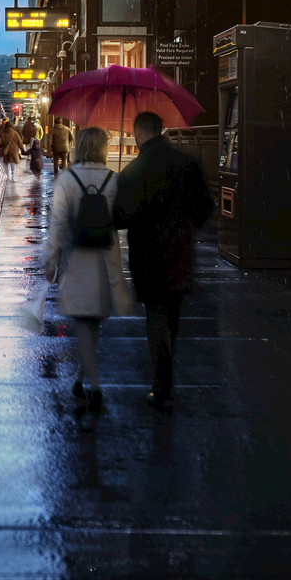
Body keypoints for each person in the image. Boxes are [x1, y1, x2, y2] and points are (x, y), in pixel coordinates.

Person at [113, 111, 214, 410]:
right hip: (180, 253)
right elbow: (205, 208)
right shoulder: (188, 164)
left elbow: (119, 218)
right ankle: (166, 370)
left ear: (138, 133)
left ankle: (162, 384)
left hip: (147, 255)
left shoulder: (133, 171)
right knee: (172, 312)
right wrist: (184, 227)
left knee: (155, 314)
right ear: (161, 130)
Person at [43, 126, 133, 415]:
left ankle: (94, 386)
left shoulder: (68, 179)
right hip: (105, 259)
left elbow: (57, 224)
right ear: (102, 149)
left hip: (76, 258)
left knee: (84, 321)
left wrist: (51, 259)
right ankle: (82, 378)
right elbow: (121, 217)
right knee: (92, 322)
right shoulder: (113, 179)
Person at [0, 116, 24, 181]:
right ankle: (13, 177)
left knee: (5, 163)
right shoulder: (15, 133)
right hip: (13, 151)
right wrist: (22, 149)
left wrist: (2, 147)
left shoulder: (2, 133)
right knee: (13, 164)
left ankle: (8, 175)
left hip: (5, 151)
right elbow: (20, 142)